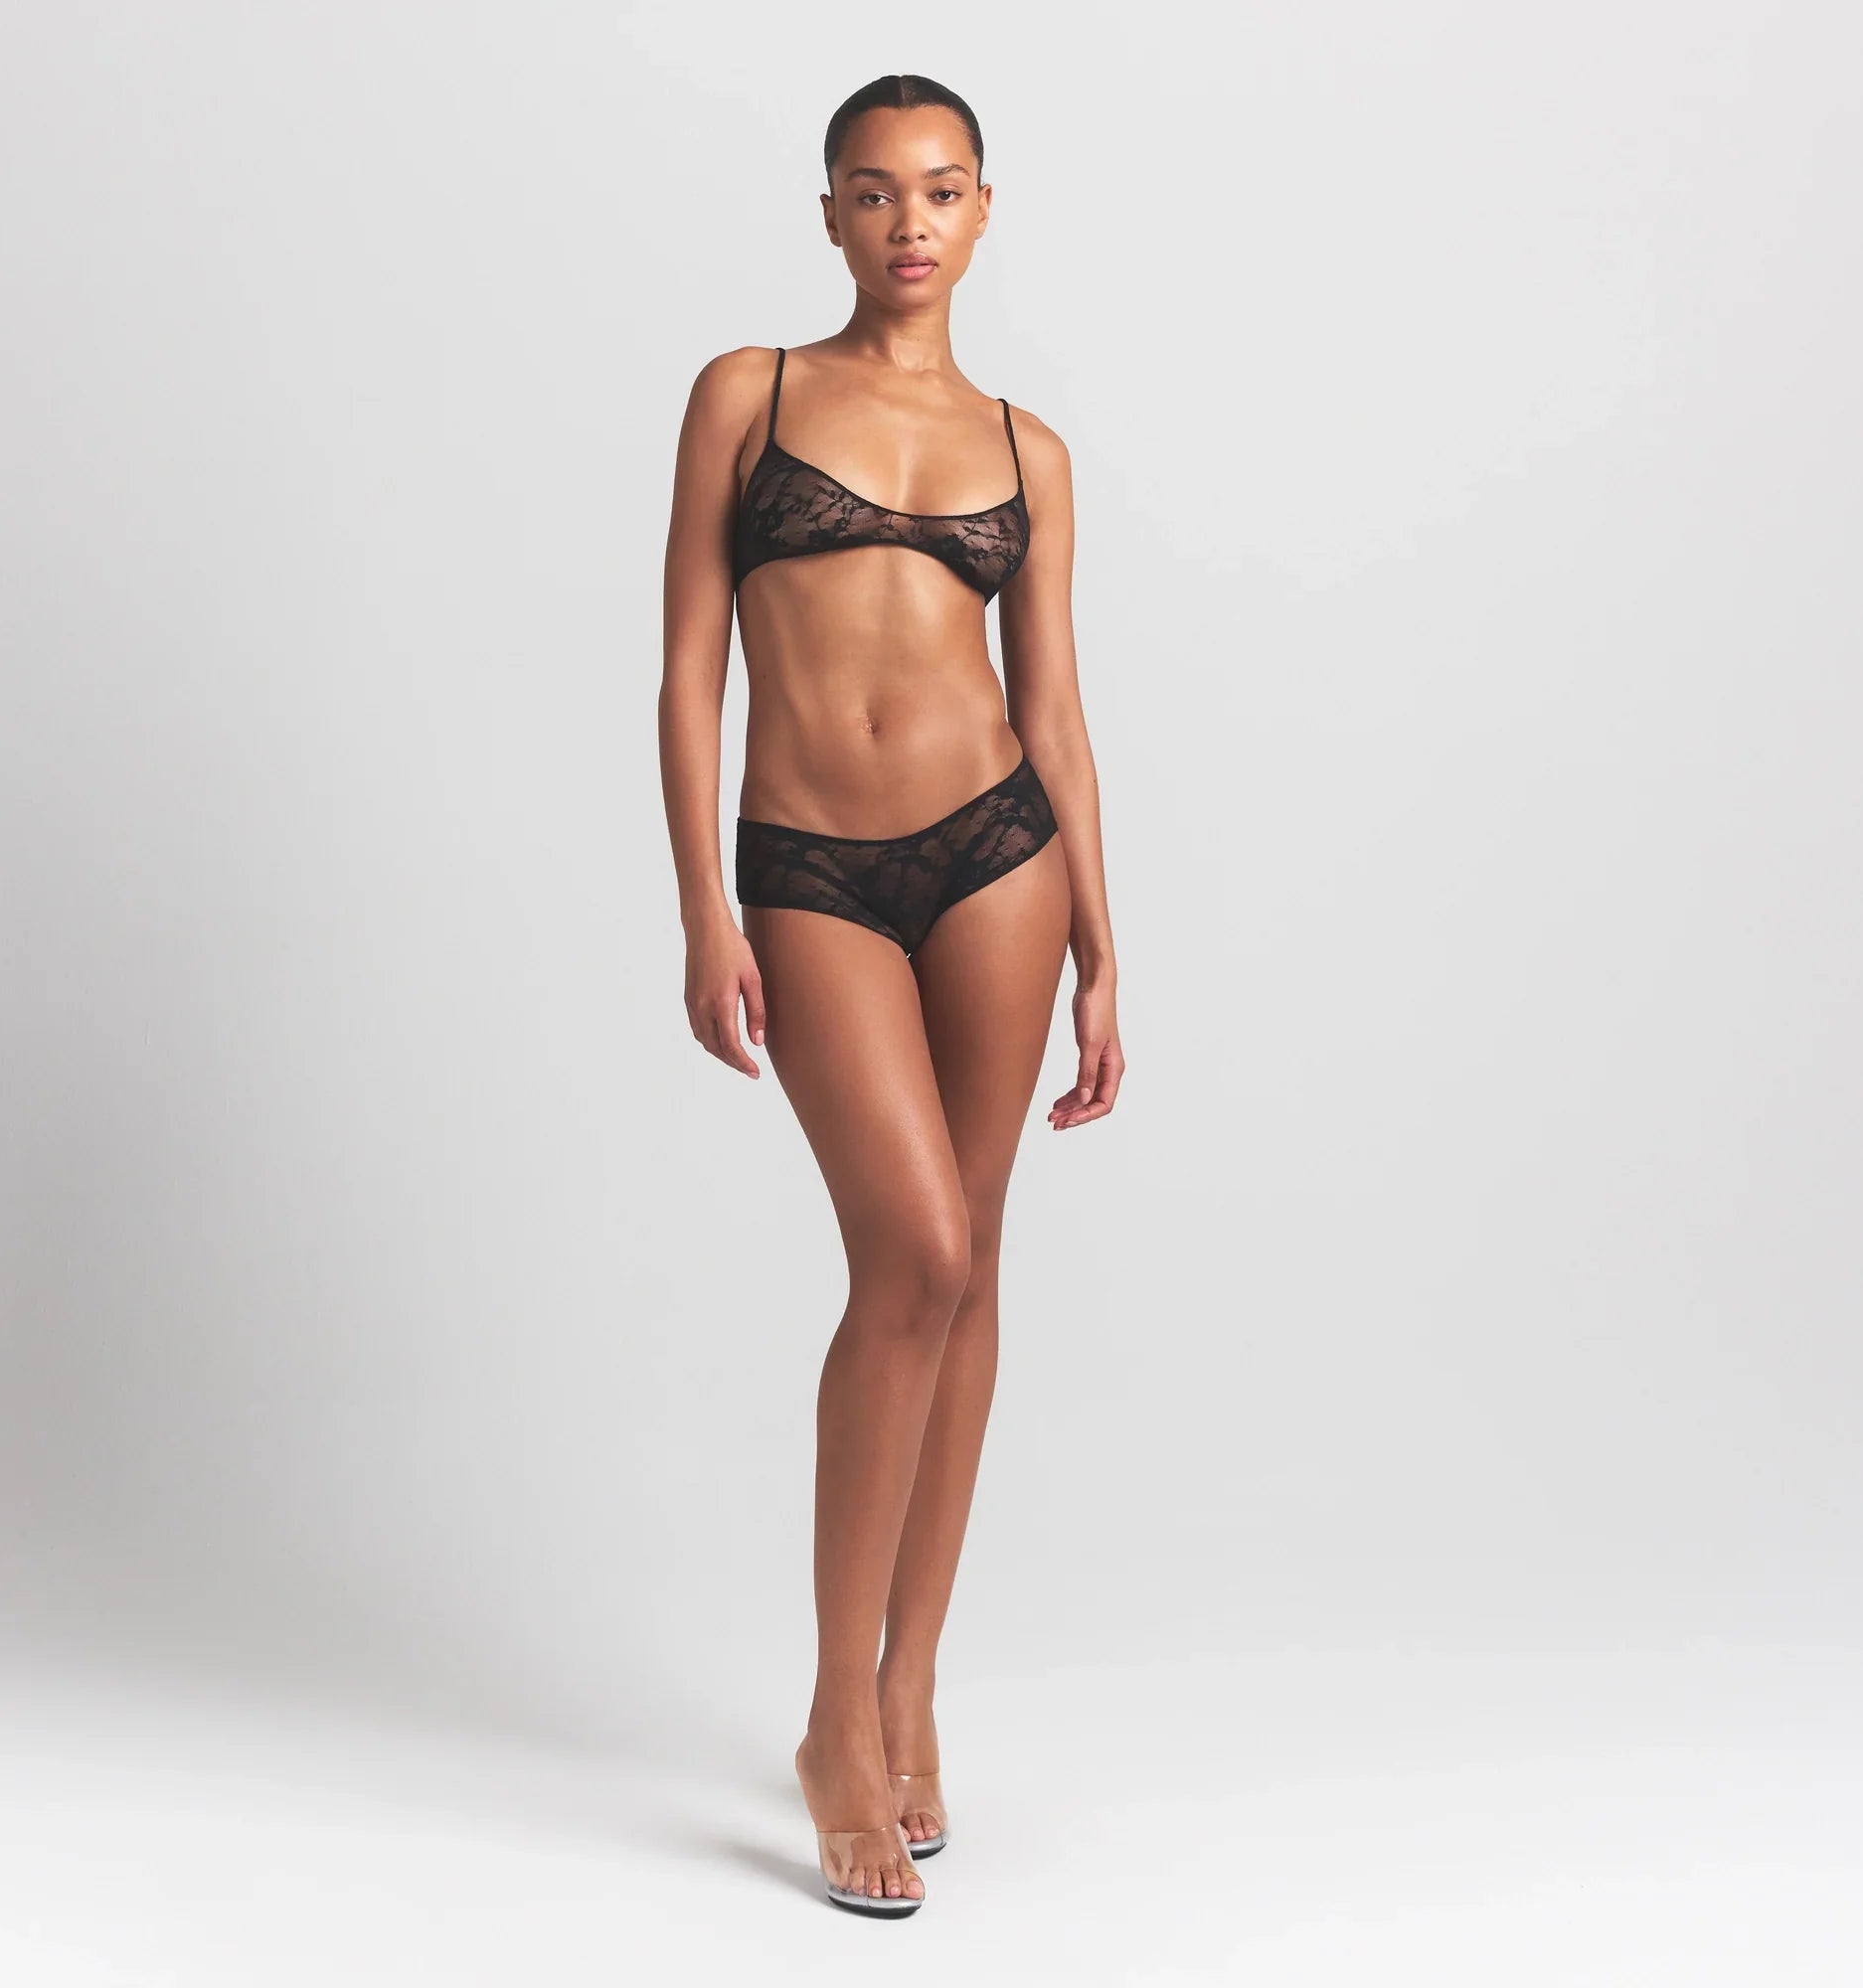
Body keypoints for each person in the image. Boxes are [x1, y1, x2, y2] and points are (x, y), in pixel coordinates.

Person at [657, 73, 1125, 1917]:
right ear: (832, 214)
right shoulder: (749, 393)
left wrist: (1104, 943)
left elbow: (1058, 708)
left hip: (1001, 856)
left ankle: (911, 1681)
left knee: (975, 1258)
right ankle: (831, 1724)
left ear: (983, 211)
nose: (908, 221)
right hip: (812, 868)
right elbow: (689, 664)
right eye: (874, 190)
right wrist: (704, 906)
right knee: (911, 1251)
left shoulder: (1028, 448)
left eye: (941, 190)